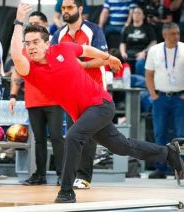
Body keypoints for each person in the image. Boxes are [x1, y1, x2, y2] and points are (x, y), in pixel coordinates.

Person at [12, 3, 184, 203]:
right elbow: (17, 56)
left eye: (35, 42)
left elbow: (86, 48)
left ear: (46, 43)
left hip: (100, 104)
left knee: (73, 136)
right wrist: (18, 21)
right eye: (28, 43)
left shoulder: (64, 48)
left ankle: (66, 191)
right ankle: (168, 153)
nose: (31, 47)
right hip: (84, 114)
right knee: (122, 147)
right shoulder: (30, 70)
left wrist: (109, 57)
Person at [51, 0, 108, 190]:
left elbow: (103, 58)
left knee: (87, 135)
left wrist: (83, 65)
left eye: (69, 8)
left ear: (80, 9)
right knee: (73, 134)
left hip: (93, 91)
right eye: (63, 8)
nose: (65, 11)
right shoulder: (58, 35)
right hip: (70, 93)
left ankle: (84, 177)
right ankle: (71, 175)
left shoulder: (94, 31)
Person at [9, 11, 65, 185]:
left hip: (55, 101)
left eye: (37, 23)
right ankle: (39, 174)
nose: (33, 25)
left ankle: (62, 174)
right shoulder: (25, 52)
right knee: (39, 139)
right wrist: (12, 95)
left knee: (56, 137)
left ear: (45, 25)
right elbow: (16, 74)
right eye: (31, 23)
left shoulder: (54, 50)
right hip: (33, 101)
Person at [145, 22, 184, 179]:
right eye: (173, 34)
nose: (177, 37)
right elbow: (148, 74)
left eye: (178, 33)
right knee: (160, 134)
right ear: (164, 34)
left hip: (180, 98)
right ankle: (161, 168)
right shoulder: (154, 50)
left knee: (181, 134)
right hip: (160, 98)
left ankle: (181, 168)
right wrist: (153, 94)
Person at [119, 6, 157, 76]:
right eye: (134, 13)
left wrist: (145, 52)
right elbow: (122, 43)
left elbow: (153, 42)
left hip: (142, 55)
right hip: (128, 55)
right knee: (121, 63)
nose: (136, 14)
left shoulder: (148, 28)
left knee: (140, 64)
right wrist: (123, 53)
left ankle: (141, 85)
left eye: (139, 13)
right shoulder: (127, 28)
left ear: (143, 16)